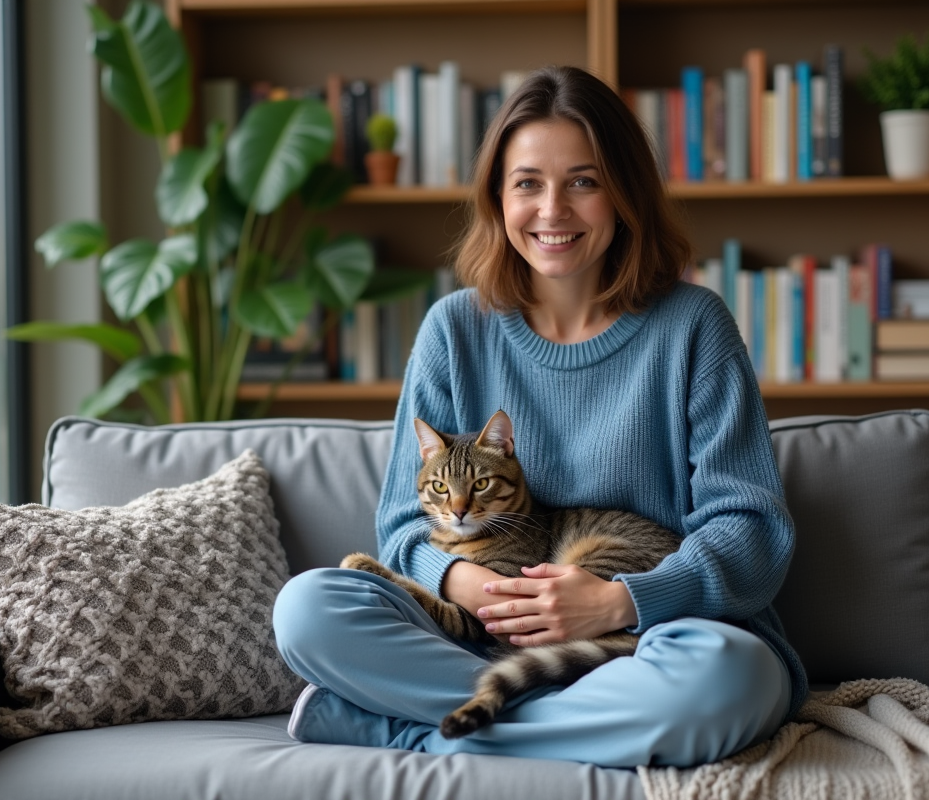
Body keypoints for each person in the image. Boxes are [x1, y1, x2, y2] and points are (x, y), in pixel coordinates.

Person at [272, 64, 807, 769]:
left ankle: (409, 730)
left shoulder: (693, 326)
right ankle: (567, 720)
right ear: (499, 197)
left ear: (623, 195)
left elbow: (753, 532)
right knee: (307, 609)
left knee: (725, 680)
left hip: (646, 637)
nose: (552, 209)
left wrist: (619, 602)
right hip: (480, 629)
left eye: (583, 181)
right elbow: (405, 523)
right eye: (527, 182)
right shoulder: (452, 330)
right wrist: (476, 588)